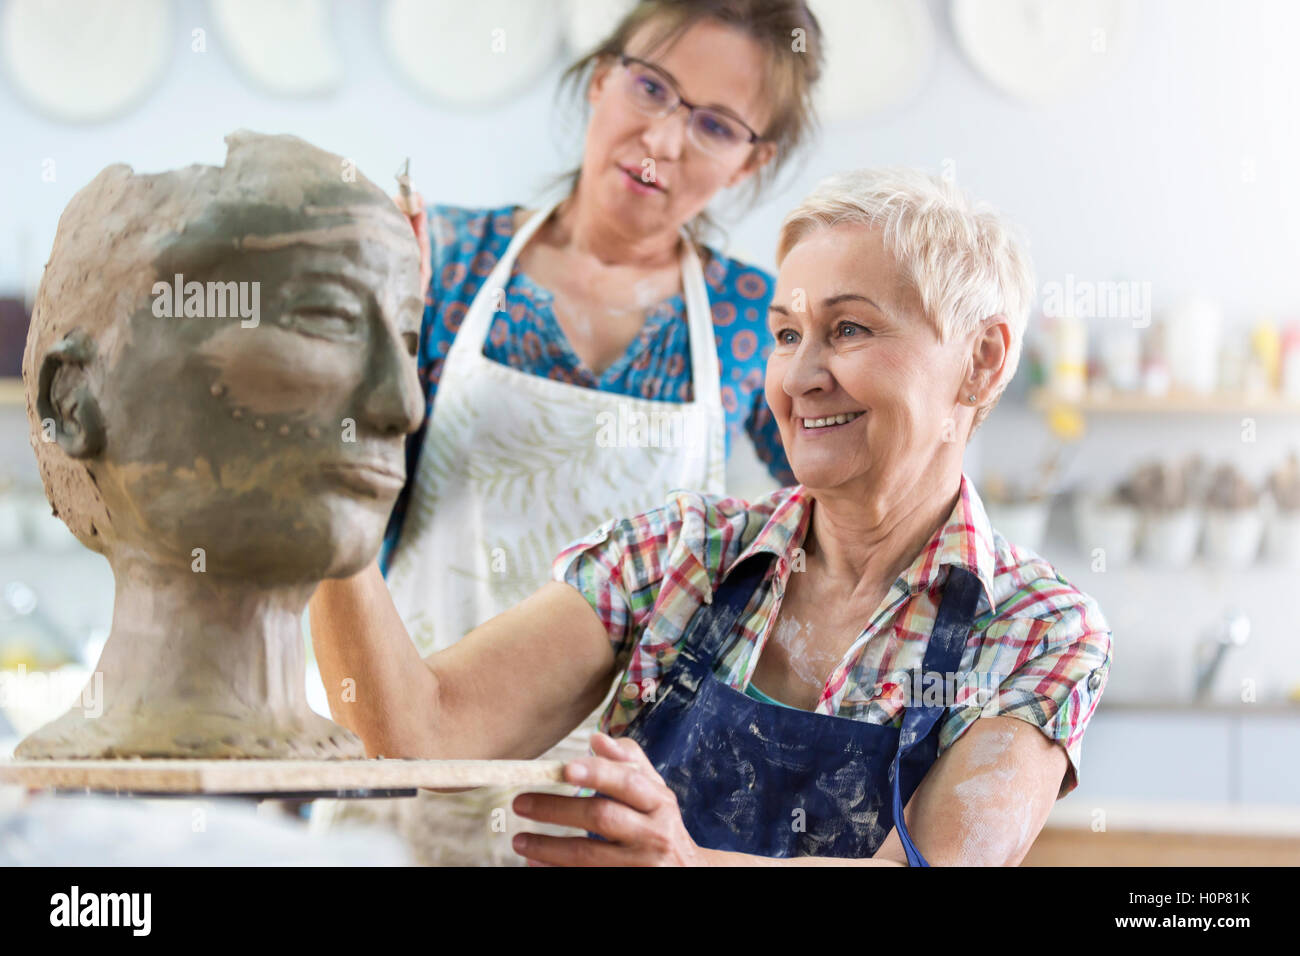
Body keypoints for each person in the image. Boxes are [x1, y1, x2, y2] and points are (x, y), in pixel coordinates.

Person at [310, 168, 1113, 865]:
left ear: (983, 358)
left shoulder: (1038, 630)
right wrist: (320, 446)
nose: (799, 376)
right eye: (786, 333)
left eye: (849, 329)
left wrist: (687, 865)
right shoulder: (681, 554)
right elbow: (416, 735)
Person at [314, 0, 826, 864]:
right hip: (405, 744)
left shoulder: (753, 316)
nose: (663, 140)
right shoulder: (448, 257)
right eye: (651, 88)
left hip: (617, 810)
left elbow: (832, 524)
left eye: (714, 124)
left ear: (752, 160)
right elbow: (344, 475)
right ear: (600, 79)